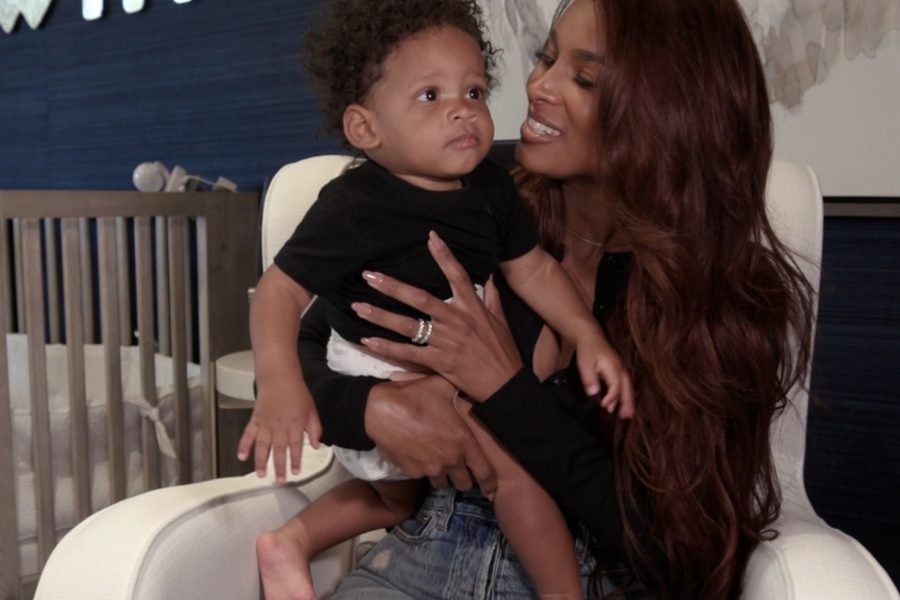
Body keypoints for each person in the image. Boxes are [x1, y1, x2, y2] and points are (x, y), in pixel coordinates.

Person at [294, 0, 817, 598]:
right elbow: (303, 346)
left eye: (584, 78)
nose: (537, 87)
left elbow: (683, 555)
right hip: (425, 554)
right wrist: (371, 408)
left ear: (669, 115)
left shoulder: (722, 295)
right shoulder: (471, 193)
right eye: (547, 59)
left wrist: (504, 390)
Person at [238, 1, 636, 598]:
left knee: (403, 497)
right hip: (373, 367)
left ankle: (291, 540)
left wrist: (586, 334)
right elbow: (283, 293)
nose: (462, 109)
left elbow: (534, 270)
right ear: (366, 129)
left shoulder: (491, 189)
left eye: (474, 92)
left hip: (457, 375)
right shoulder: (354, 205)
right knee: (504, 477)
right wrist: (292, 388)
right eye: (431, 95)